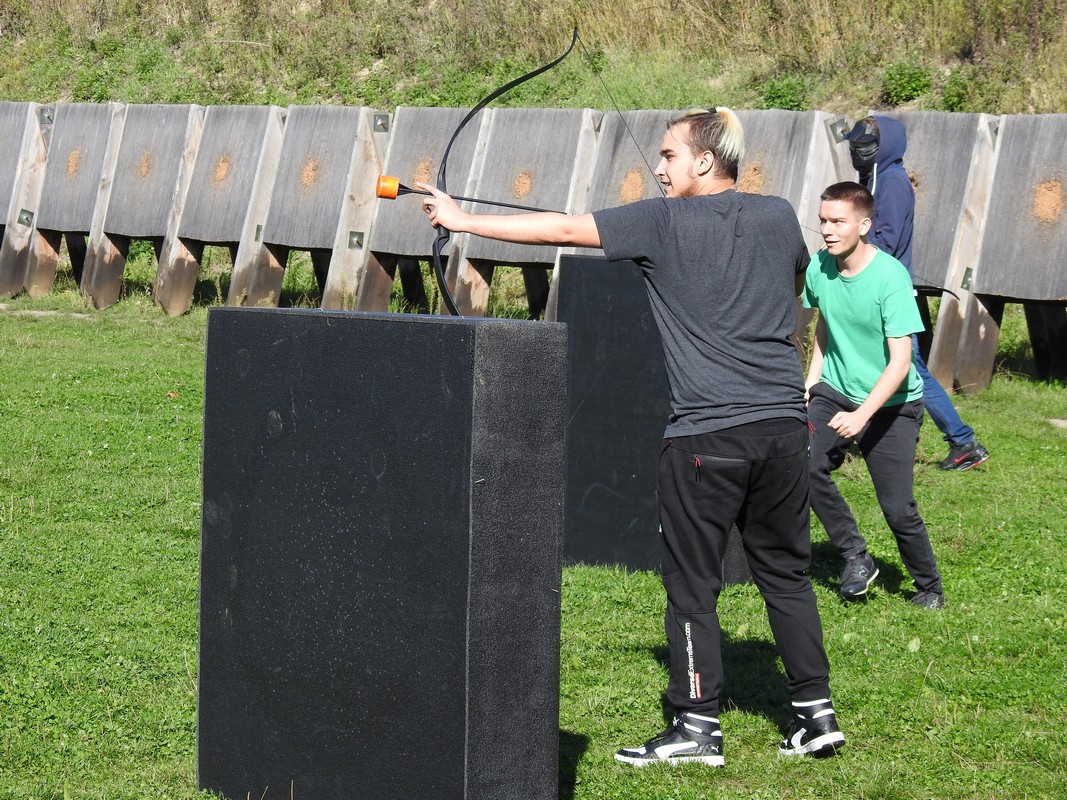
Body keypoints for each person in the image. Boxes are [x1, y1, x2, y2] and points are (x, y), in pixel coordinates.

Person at [419, 108, 844, 766]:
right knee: (786, 575)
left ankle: (697, 727)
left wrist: (461, 220)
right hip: (785, 428)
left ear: (704, 161)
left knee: (692, 586)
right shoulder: (780, 215)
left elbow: (563, 228)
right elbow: (787, 277)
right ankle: (816, 716)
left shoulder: (660, 221)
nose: (660, 168)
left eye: (669, 156)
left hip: (706, 435)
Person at [804, 181, 945, 610]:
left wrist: (863, 414)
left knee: (897, 508)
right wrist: (812, 382)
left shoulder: (890, 277)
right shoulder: (819, 267)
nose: (827, 230)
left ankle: (929, 587)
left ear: (864, 225)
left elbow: (901, 363)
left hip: (892, 405)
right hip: (835, 390)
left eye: (838, 222)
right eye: (823, 221)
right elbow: (825, 324)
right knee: (803, 466)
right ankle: (855, 556)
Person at [843, 116, 990, 471]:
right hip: (878, 287)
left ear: (884, 147)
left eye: (865, 147)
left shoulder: (892, 183)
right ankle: (884, 434)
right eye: (854, 146)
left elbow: (887, 242)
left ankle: (963, 442)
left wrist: (847, 250)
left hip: (890, 292)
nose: (857, 153)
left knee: (911, 368)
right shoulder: (874, 179)